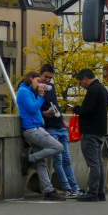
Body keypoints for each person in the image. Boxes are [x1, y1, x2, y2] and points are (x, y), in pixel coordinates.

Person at [18, 71, 65, 200]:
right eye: (38, 81)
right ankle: (30, 159)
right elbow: (32, 108)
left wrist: (45, 113)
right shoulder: (23, 91)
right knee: (58, 147)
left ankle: (49, 190)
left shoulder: (29, 92)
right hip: (32, 129)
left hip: (37, 127)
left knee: (42, 162)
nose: (39, 84)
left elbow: (35, 110)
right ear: (30, 78)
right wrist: (41, 95)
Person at [39, 65, 81, 198]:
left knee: (67, 159)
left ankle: (74, 187)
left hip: (60, 126)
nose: (47, 80)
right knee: (58, 159)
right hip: (50, 128)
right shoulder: (37, 89)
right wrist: (46, 114)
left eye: (50, 77)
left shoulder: (51, 88)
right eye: (45, 77)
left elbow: (55, 105)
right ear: (40, 75)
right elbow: (37, 109)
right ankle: (67, 188)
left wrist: (63, 121)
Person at [72, 68, 108, 201]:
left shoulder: (93, 90)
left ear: (86, 78)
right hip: (100, 130)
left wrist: (75, 109)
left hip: (90, 130)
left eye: (81, 82)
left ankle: (93, 192)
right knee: (99, 162)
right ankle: (100, 192)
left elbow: (86, 110)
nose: (81, 85)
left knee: (93, 164)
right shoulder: (103, 89)